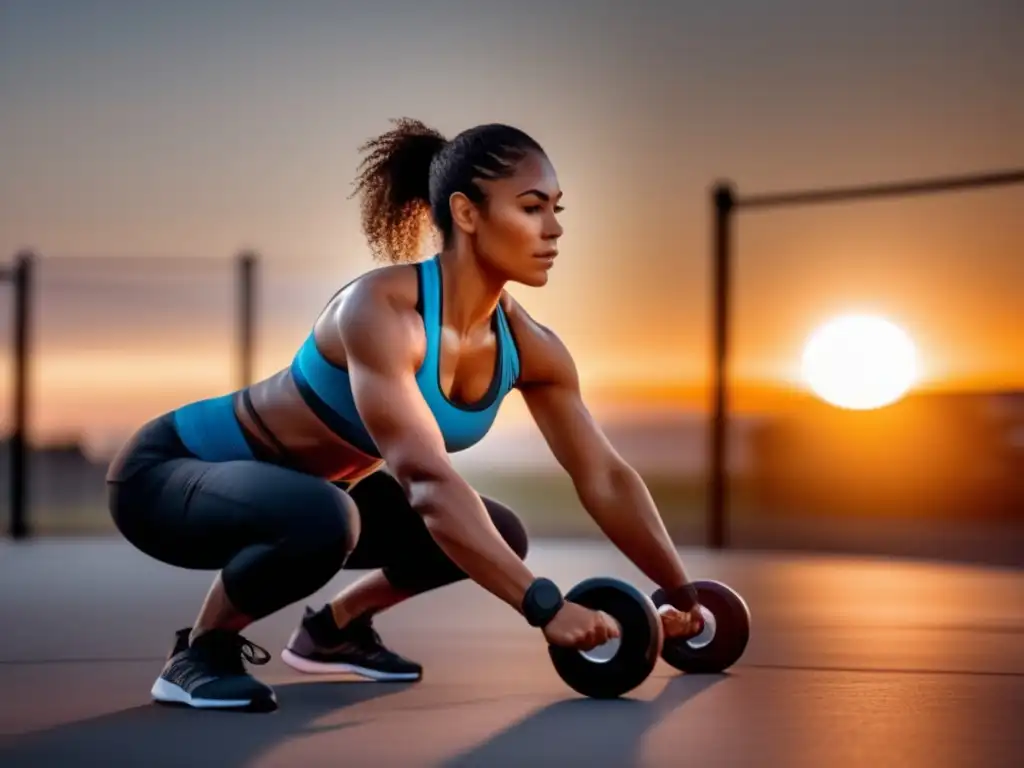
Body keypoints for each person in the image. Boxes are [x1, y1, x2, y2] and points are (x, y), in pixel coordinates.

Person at [106, 118, 707, 713]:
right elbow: (425, 481)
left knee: (498, 534)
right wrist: (544, 605)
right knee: (327, 516)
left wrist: (684, 595)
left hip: (313, 490)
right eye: (531, 207)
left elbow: (603, 476)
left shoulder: (532, 348)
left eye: (557, 208)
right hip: (170, 476)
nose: (552, 229)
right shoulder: (382, 310)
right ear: (467, 214)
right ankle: (199, 652)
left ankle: (334, 630)